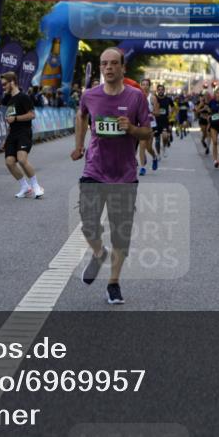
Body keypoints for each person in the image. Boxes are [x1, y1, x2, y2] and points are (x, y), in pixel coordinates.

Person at [72, 48, 152, 305]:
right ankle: (98, 252)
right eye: (104, 64)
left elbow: (147, 133)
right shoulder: (90, 96)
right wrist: (79, 144)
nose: (108, 68)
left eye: (113, 63)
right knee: (88, 223)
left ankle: (113, 283)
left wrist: (132, 128)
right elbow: (81, 115)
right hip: (94, 168)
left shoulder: (136, 97)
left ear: (122, 68)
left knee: (121, 233)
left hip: (124, 174)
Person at [0, 70, 43, 198]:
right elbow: (10, 121)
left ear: (12, 82)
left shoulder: (24, 97)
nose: (3, 87)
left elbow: (32, 115)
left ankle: (36, 187)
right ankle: (25, 187)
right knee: (9, 162)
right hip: (12, 134)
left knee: (21, 159)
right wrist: (5, 138)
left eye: (4, 84)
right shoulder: (8, 99)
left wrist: (16, 118)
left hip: (24, 132)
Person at [137, 78, 159, 175]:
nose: (145, 86)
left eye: (147, 84)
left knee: (148, 147)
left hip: (151, 124)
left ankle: (154, 157)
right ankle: (142, 167)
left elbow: (157, 113)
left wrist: (150, 112)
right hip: (141, 124)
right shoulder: (137, 96)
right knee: (142, 145)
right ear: (140, 85)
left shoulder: (152, 97)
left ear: (149, 86)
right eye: (143, 84)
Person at [153, 83, 173, 156]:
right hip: (156, 122)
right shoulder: (154, 98)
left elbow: (173, 106)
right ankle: (158, 154)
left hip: (165, 121)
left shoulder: (168, 99)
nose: (160, 91)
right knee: (157, 141)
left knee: (165, 136)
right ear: (157, 91)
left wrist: (171, 113)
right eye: (159, 90)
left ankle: (164, 147)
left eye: (162, 89)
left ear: (164, 90)